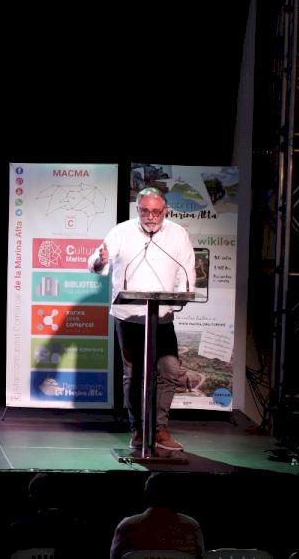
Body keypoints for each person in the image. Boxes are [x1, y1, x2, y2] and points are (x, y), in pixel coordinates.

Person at [89, 186, 196, 451]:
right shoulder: (122, 231)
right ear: (137, 209)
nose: (150, 217)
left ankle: (159, 429)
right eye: (145, 211)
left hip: (162, 315)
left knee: (170, 370)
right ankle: (138, 429)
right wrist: (101, 260)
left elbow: (187, 269)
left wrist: (185, 293)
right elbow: (95, 264)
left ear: (165, 211)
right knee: (134, 374)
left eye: (156, 212)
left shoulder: (177, 234)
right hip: (129, 316)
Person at [109, 472, 204, 559]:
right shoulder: (191, 526)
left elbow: (114, 557)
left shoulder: (126, 526)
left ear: (145, 494)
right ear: (175, 495)